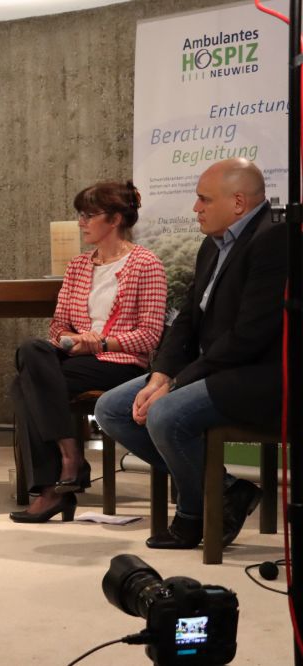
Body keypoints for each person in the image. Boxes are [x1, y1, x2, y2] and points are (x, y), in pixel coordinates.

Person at [95, 158, 286, 549]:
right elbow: (185, 320)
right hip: (218, 367)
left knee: (165, 413)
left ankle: (193, 515)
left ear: (237, 202)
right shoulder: (210, 246)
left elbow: (250, 336)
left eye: (203, 200)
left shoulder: (275, 241)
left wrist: (179, 384)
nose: (196, 209)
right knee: (112, 409)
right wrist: (162, 375)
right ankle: (226, 490)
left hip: (261, 375)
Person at [9, 181, 167, 523]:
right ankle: (70, 455)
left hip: (120, 364)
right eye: (80, 214)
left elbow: (150, 336)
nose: (81, 221)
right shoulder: (78, 266)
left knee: (24, 384)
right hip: (76, 358)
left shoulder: (146, 264)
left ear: (114, 220)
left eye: (89, 215)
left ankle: (53, 489)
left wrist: (100, 343)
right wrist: (72, 341)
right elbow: (58, 327)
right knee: (31, 350)